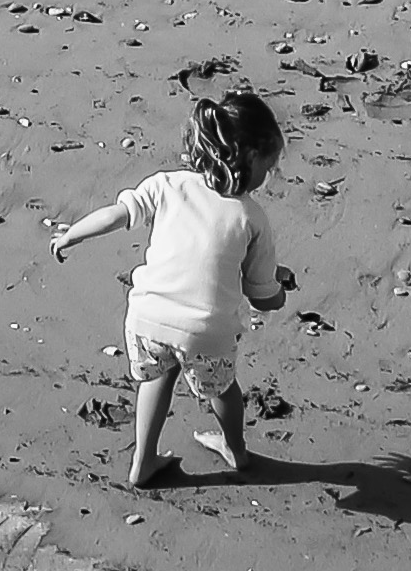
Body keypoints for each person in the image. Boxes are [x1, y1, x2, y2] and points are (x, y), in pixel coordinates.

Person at [49, 87, 294, 487]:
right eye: (269, 167)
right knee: (224, 390)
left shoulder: (166, 185)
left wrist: (71, 235)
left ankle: (143, 461)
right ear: (249, 157)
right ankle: (236, 449)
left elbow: (118, 214)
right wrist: (280, 290)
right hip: (205, 332)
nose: (268, 177)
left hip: (147, 319)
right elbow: (261, 294)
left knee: (156, 380)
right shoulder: (252, 217)